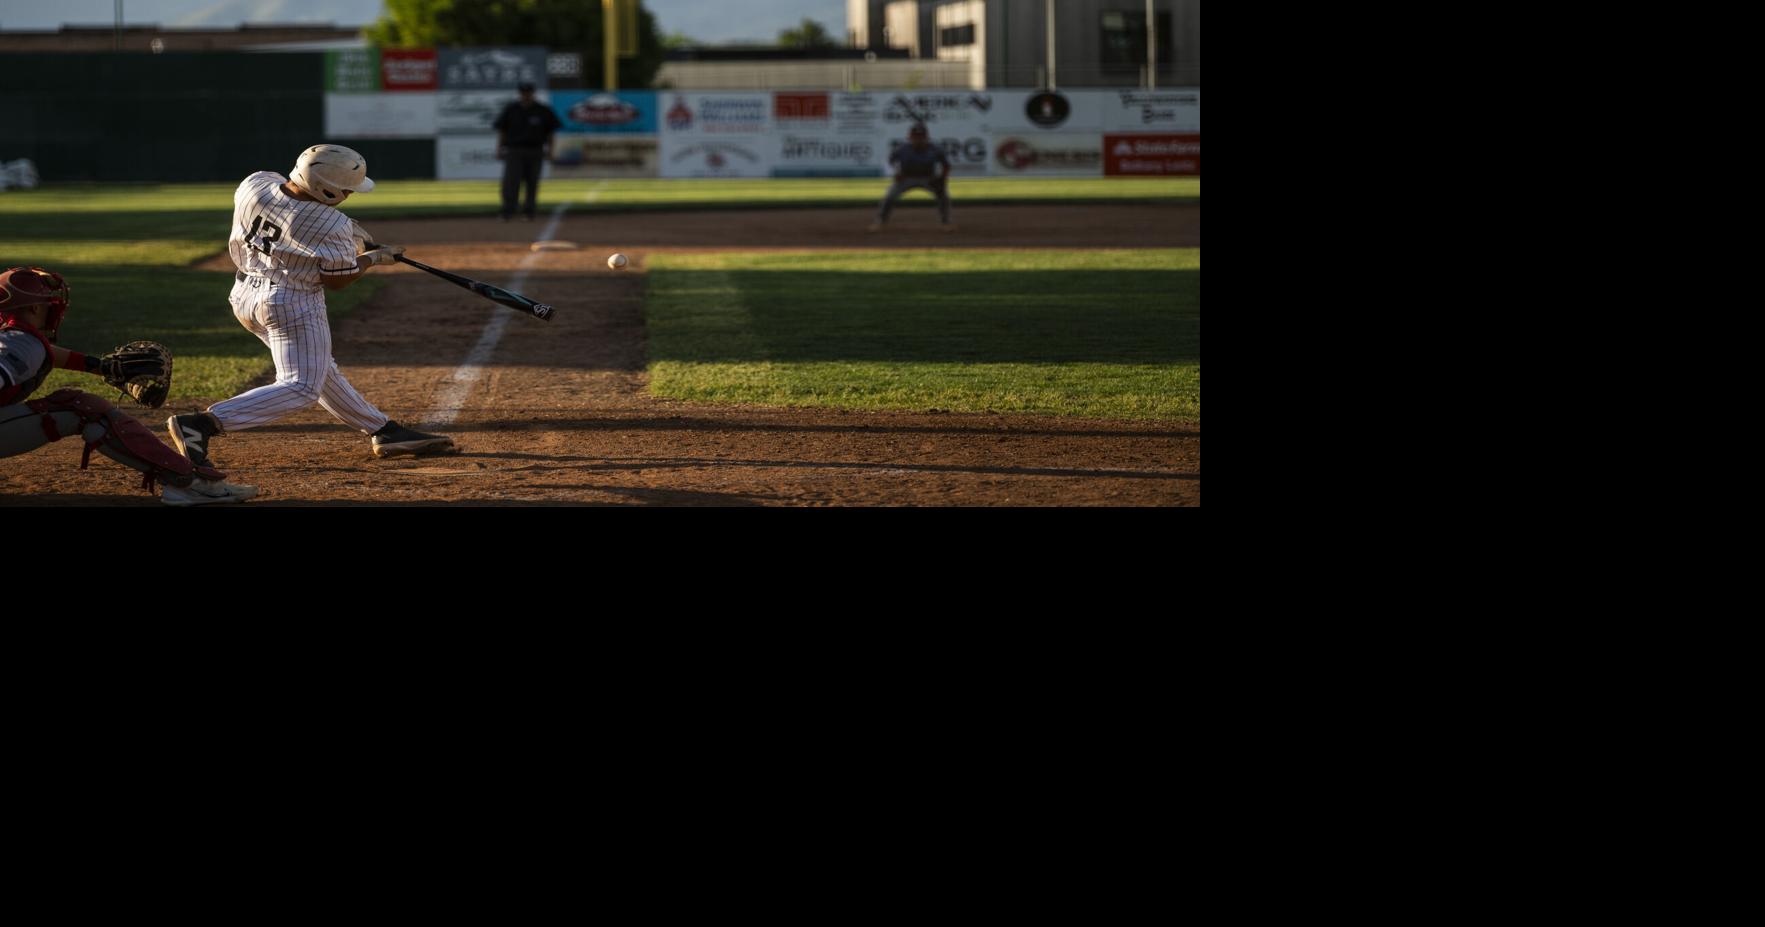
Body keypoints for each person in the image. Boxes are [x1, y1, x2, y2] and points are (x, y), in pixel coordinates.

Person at [164, 144, 455, 498]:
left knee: (320, 370)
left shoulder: (255, 182)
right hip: (291, 303)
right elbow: (338, 279)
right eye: (346, 189)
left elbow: (287, 213)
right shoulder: (330, 222)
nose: (349, 195)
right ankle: (203, 423)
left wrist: (347, 235)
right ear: (326, 188)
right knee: (302, 386)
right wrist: (375, 258)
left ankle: (384, 430)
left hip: (245, 295)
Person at [0, 265, 245, 506]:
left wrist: (102, 367)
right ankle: (189, 484)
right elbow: (28, 350)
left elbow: (44, 353)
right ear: (34, 307)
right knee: (83, 409)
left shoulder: (18, 340)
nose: (53, 308)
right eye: (47, 304)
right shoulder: (22, 343)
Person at [493, 82, 563, 222]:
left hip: (535, 150)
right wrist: (499, 148)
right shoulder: (511, 109)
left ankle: (529, 212)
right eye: (523, 92)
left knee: (532, 182)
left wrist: (550, 150)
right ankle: (508, 212)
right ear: (520, 93)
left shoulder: (542, 110)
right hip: (514, 150)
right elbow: (502, 130)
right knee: (511, 182)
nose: (526, 95)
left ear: (533, 93)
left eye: (528, 92)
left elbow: (550, 133)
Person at [869, 124, 956, 232]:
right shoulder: (902, 149)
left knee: (943, 197)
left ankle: (946, 222)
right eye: (915, 137)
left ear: (926, 137)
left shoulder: (935, 149)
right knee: (889, 197)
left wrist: (942, 178)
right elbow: (888, 162)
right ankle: (881, 222)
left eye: (921, 137)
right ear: (910, 137)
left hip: (929, 178)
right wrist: (894, 173)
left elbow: (946, 165)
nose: (918, 139)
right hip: (906, 178)